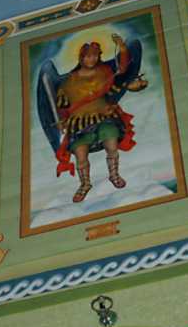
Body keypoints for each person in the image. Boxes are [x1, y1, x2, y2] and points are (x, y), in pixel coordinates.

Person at [53, 34, 145, 203]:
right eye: (88, 56)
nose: (92, 59)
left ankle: (114, 175)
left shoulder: (105, 72)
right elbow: (62, 106)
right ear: (81, 58)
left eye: (95, 55)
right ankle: (85, 184)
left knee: (111, 144)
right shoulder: (69, 82)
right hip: (79, 122)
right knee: (81, 155)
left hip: (104, 115)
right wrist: (61, 120)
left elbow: (122, 69)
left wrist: (122, 47)